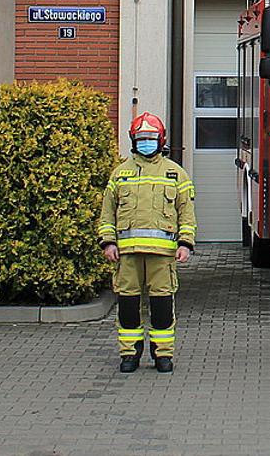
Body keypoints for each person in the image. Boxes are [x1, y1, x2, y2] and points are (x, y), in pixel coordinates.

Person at [98, 113, 196, 374]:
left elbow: (186, 213)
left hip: (162, 257)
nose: (146, 143)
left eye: (151, 138)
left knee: (162, 307)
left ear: (161, 139)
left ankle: (162, 355)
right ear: (133, 140)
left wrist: (186, 243)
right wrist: (108, 242)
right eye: (141, 139)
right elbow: (107, 213)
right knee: (128, 307)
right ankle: (129, 354)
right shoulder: (120, 174)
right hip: (127, 256)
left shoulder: (176, 174)